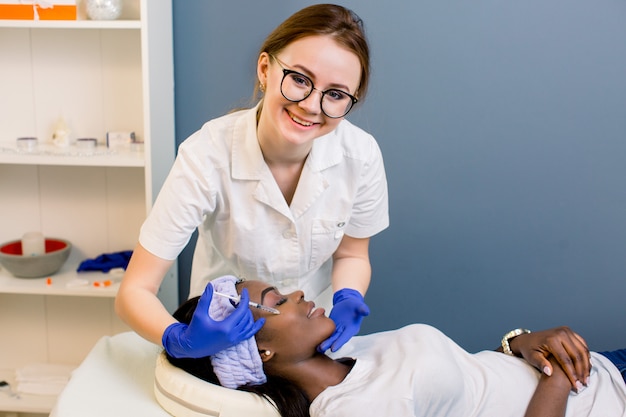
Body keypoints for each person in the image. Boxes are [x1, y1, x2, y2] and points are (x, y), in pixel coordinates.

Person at [115, 4, 388, 358]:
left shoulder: (360, 155)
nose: (311, 105)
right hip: (221, 339)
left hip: (310, 338)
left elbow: (352, 253)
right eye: (300, 79)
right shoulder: (206, 155)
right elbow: (133, 291)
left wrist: (348, 295)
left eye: (335, 94)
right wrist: (178, 338)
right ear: (265, 70)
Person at [167, 276, 625, 417]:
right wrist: (557, 378)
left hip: (604, 369)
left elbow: (471, 385)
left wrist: (522, 342)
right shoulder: (354, 410)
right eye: (278, 302)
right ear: (259, 354)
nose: (300, 294)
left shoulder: (350, 353)